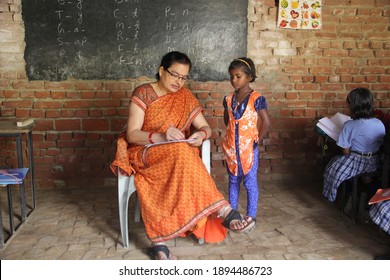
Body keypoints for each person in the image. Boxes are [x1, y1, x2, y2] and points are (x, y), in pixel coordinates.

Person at [110, 51, 255, 260]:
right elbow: (132, 134)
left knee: (182, 151)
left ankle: (159, 244)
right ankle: (224, 211)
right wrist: (161, 135)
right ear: (161, 71)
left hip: (176, 155)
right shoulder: (143, 93)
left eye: (184, 77)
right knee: (181, 151)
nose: (179, 82)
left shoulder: (185, 96)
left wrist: (200, 135)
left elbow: (206, 128)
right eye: (174, 75)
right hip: (144, 151)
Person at [222, 57, 271, 227]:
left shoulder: (256, 98)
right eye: (231, 76)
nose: (233, 80)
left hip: (249, 149)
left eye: (238, 76)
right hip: (232, 150)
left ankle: (251, 215)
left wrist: (255, 140)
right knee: (233, 181)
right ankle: (232, 213)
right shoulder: (228, 99)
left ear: (249, 77)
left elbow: (266, 122)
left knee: (250, 182)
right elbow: (227, 121)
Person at [323, 88, 386, 203]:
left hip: (356, 161)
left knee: (331, 168)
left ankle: (340, 195)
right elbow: (380, 143)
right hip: (374, 161)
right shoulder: (379, 123)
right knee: (363, 176)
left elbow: (345, 151)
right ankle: (364, 187)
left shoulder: (349, 125)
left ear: (353, 106)